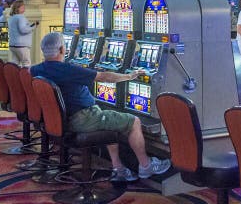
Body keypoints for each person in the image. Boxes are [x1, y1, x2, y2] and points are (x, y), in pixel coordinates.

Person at [30, 33, 171, 182]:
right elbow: (103, 77)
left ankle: (119, 168)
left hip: (60, 119)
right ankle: (146, 165)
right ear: (62, 50)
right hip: (83, 118)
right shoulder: (68, 70)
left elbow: (26, 72)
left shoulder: (36, 70)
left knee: (108, 119)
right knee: (134, 121)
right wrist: (129, 76)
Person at [7, 0, 36, 67]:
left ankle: (13, 77)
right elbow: (23, 30)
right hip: (22, 45)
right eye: (22, 6)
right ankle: (25, 77)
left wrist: (29, 26)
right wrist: (33, 27)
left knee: (15, 64)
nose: (24, 8)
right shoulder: (21, 17)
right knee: (26, 63)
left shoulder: (11, 18)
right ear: (18, 8)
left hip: (13, 44)